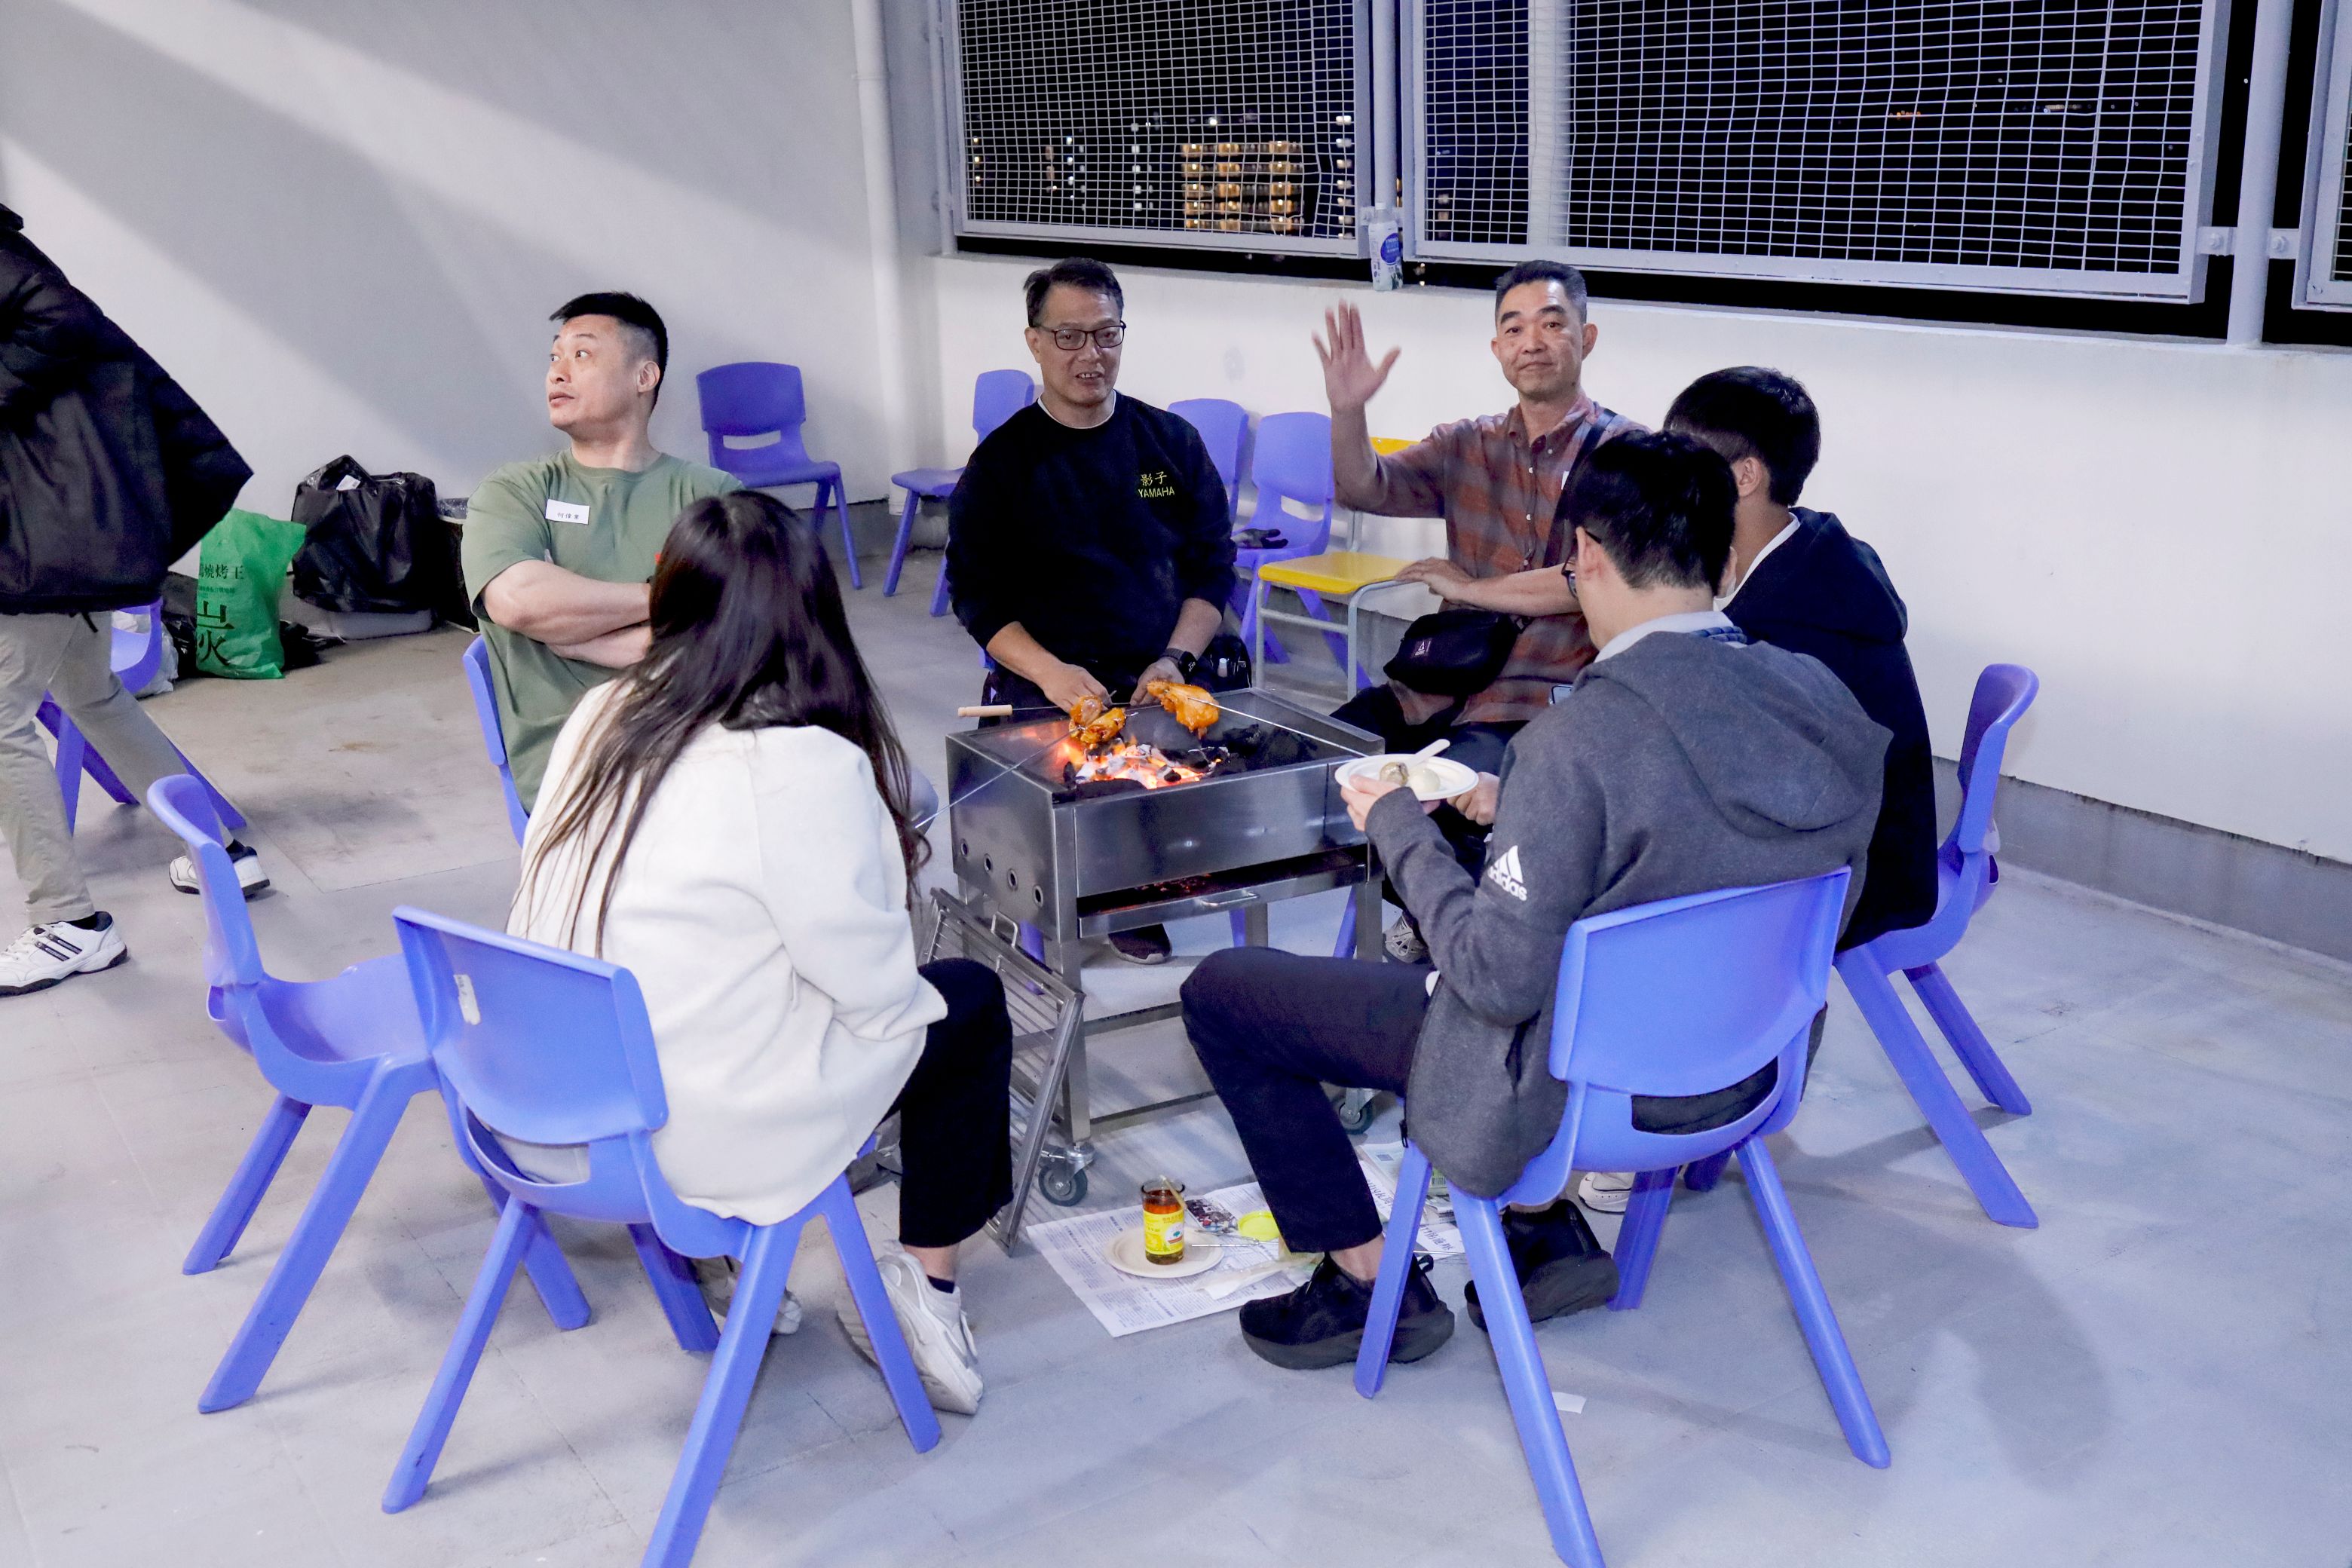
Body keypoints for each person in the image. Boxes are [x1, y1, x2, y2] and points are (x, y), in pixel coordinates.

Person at [1180, 432, 1889, 1370]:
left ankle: (1365, 1278)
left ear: (1585, 554)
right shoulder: (1825, 699)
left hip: (1574, 1086)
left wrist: (1397, 824)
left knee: (1227, 993)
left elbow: (1495, 980)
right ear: (1726, 559)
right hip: (1745, 1066)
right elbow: (1760, 870)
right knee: (1551, 935)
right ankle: (1539, 1230)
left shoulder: (1578, 739)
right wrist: (1517, 807)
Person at [510, 490, 1013, 1415]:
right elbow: (877, 991)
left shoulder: (600, 713)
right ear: (812, 615)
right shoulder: (799, 765)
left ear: (667, 599)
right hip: (692, 1134)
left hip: (557, 1094)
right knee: (967, 1003)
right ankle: (926, 1291)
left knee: (745, 972)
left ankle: (724, 1266)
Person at [1314, 259, 1634, 960]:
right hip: (1438, 686)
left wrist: (1469, 589)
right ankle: (1426, 912)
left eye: (1552, 324)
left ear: (1586, 337)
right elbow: (1364, 488)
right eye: (1514, 328)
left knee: (1444, 804)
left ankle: (1457, 948)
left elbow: (1587, 580)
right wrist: (1348, 410)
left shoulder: (1626, 457)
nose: (1532, 341)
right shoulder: (1467, 443)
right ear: (1497, 348)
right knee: (1311, 764)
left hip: (1541, 703)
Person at [945, 256, 1236, 963]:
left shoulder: (1170, 443)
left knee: (1206, 757)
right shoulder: (1002, 465)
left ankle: (1144, 883)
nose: (1090, 355)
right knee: (1057, 775)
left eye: (1107, 335)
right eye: (1069, 337)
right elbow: (977, 599)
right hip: (1051, 676)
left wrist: (1176, 658)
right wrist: (1050, 673)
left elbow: (1212, 570)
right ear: (1035, 342)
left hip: (1161, 666)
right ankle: (1085, 886)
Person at [0, 202, 255, 998]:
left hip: (46, 532)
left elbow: (60, 317)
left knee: (1, 717)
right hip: (64, 525)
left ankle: (69, 923)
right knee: (91, 693)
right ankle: (221, 851)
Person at [1666, 366, 1937, 951]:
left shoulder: (1786, 623)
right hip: (1870, 848)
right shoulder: (1811, 551)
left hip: (1856, 883)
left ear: (1744, 477)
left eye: (1683, 460)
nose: (1669, 479)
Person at [461, 291, 740, 813]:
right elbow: (520, 601)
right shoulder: (514, 492)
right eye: (554, 356)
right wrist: (675, 598)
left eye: (582, 354)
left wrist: (576, 636)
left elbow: (746, 634)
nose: (557, 372)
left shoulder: (714, 495)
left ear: (644, 377)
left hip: (704, 741)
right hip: (577, 769)